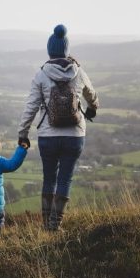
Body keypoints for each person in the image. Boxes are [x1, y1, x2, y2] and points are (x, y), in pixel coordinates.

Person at [18, 24, 99, 231]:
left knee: (49, 178)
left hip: (48, 136)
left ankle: (46, 225)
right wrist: (92, 109)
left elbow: (31, 107)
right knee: (65, 178)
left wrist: (23, 133)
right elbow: (92, 95)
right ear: (66, 49)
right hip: (74, 136)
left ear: (49, 50)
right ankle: (56, 225)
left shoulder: (41, 74)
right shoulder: (78, 72)